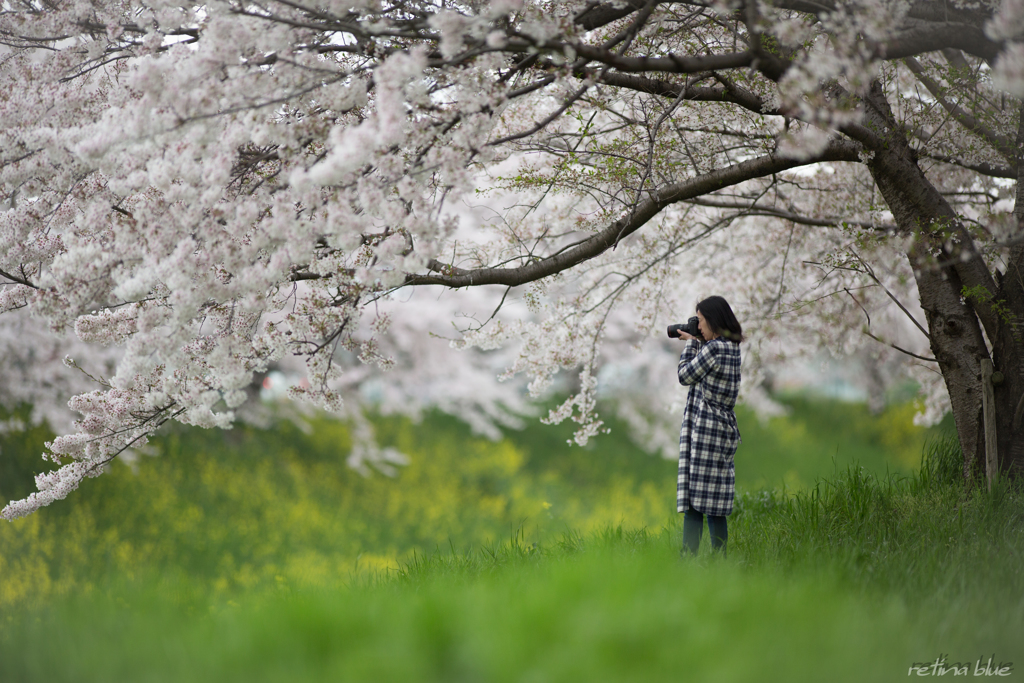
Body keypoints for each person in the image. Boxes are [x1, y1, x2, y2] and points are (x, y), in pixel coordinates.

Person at [673, 295, 743, 556]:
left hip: (706, 431)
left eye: (700, 321)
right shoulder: (731, 347)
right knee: (715, 501)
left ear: (713, 320)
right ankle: (719, 557)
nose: (698, 327)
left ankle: (689, 557)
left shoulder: (713, 349)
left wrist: (691, 346)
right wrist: (699, 340)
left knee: (695, 501)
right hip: (722, 429)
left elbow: (685, 376)